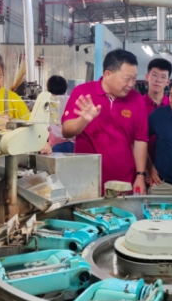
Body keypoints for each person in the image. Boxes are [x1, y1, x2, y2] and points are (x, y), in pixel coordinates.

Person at [62, 49, 148, 195]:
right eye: (127, 79)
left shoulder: (137, 100)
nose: (131, 84)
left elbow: (140, 140)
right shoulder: (82, 92)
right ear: (108, 74)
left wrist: (140, 174)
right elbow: (66, 131)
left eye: (134, 79)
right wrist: (83, 120)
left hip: (124, 182)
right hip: (86, 181)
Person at [143, 58, 172, 165]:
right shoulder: (137, 105)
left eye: (163, 77)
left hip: (167, 164)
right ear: (147, 77)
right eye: (154, 75)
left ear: (168, 82)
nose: (158, 80)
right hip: (140, 163)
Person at [41, 75, 75, 154]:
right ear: (65, 87)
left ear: (49, 87)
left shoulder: (46, 101)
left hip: (54, 142)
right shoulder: (72, 99)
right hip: (73, 141)